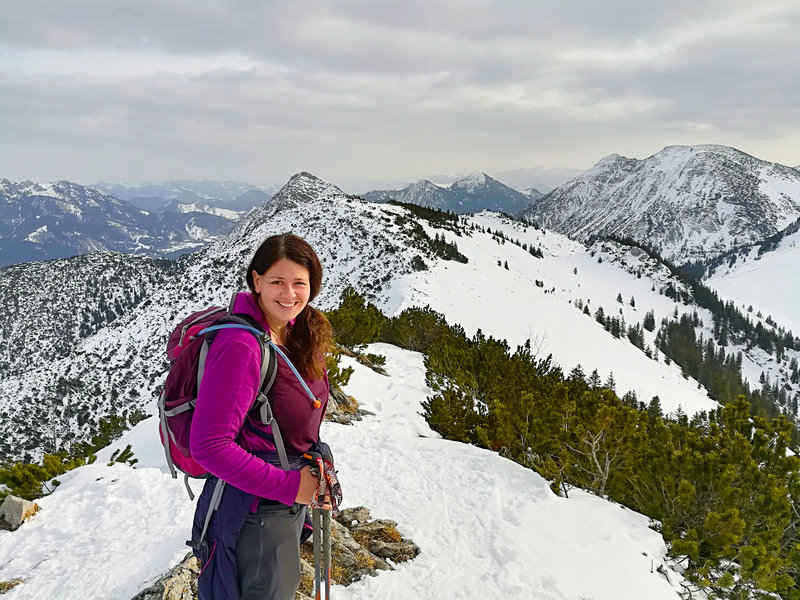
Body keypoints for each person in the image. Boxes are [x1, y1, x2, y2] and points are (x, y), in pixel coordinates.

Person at [189, 232, 333, 600]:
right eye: (277, 282)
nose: (289, 294)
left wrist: (318, 466)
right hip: (255, 515)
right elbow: (209, 446)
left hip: (278, 505)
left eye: (299, 283)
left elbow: (294, 420)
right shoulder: (241, 346)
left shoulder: (294, 332)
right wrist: (292, 486)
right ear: (256, 281)